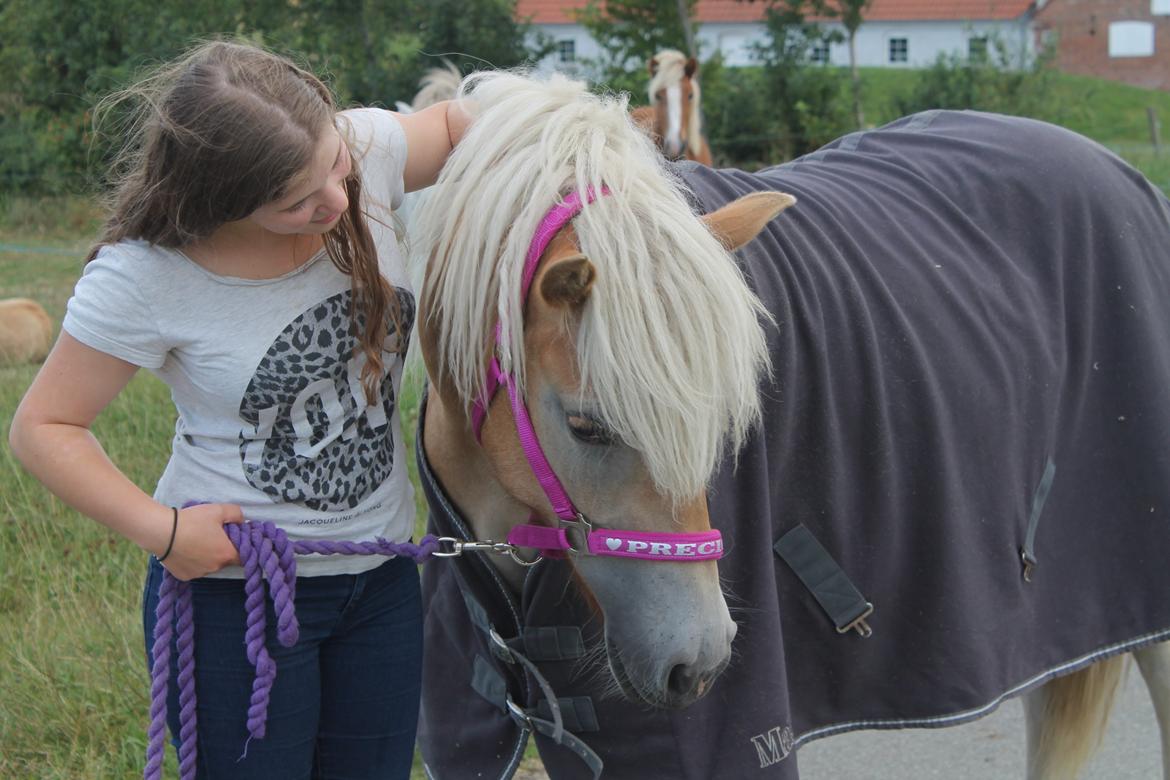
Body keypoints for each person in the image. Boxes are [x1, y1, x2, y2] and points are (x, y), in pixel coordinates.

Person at [8, 39, 471, 778]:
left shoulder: (364, 151)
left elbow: (454, 127)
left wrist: (551, 139)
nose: (337, 201)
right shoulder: (146, 276)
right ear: (221, 202)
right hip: (232, 600)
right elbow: (43, 429)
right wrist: (164, 533)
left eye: (334, 166)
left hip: (380, 581)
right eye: (296, 202)